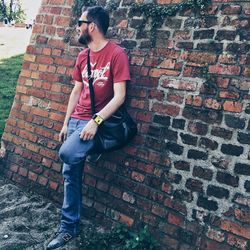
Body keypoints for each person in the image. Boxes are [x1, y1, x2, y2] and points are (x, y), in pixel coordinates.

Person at [46, 6, 131, 250]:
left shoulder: (117, 54)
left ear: (91, 25)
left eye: (80, 22)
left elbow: (120, 96)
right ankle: (68, 228)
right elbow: (76, 90)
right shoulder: (83, 56)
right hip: (76, 121)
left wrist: (96, 122)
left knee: (66, 154)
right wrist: (65, 122)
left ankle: (94, 148)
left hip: (96, 122)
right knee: (70, 175)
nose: (78, 26)